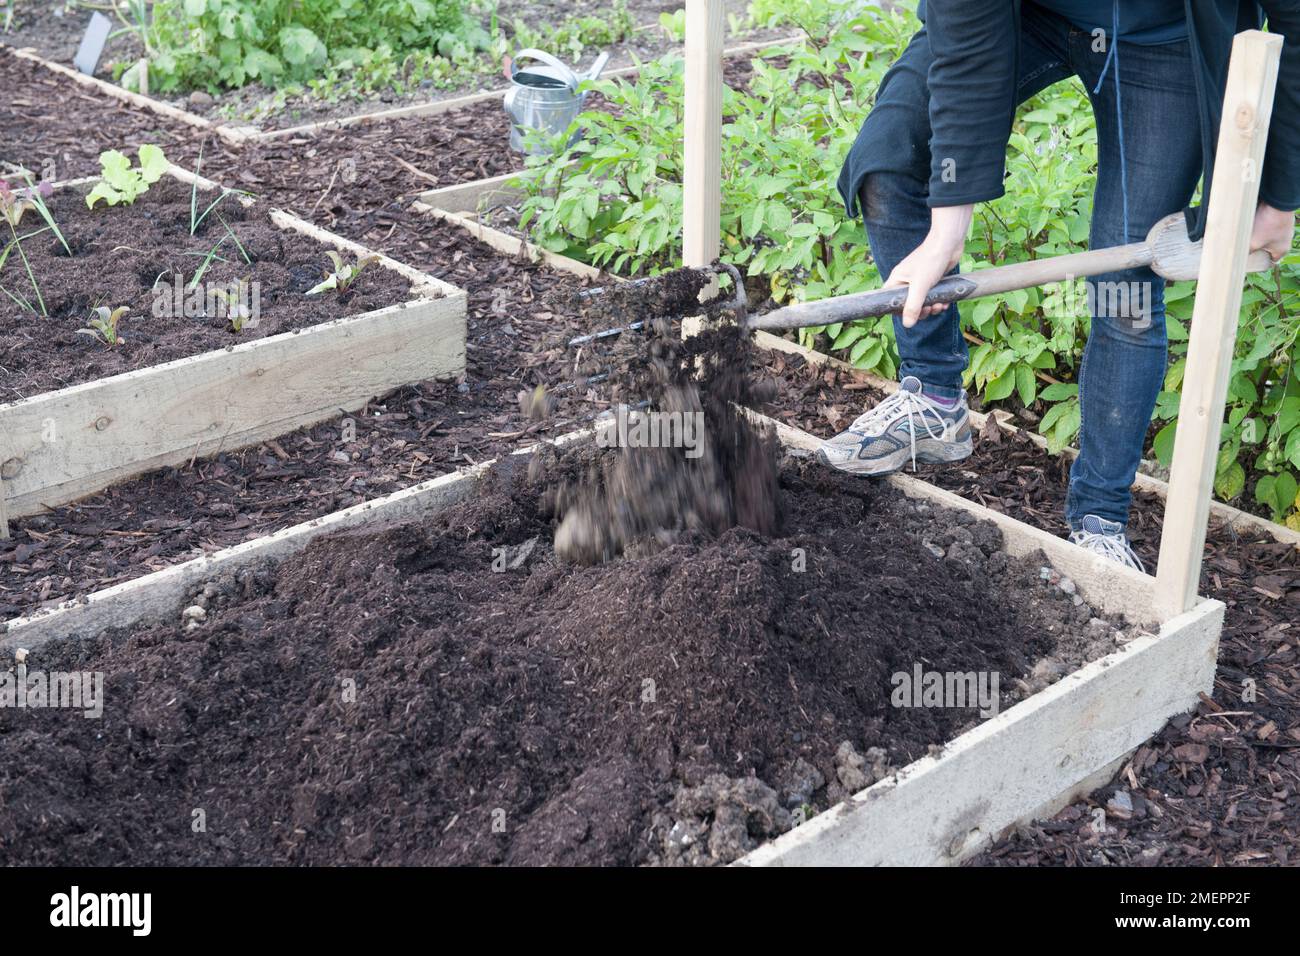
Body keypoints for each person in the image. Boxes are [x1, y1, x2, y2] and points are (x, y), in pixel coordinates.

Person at [818, 0, 1299, 570]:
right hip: (1026, 13)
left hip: (1160, 34)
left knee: (1122, 285)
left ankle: (1099, 517)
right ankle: (933, 400)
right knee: (889, 160)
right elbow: (966, 38)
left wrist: (1281, 193)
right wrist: (947, 227)